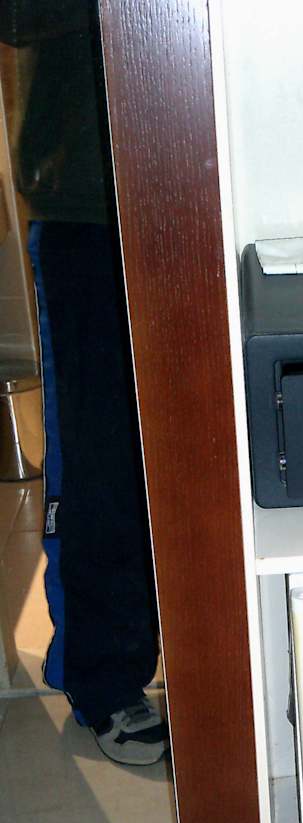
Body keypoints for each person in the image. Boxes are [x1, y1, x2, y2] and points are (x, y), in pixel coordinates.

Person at [0, 1, 169, 765]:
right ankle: (105, 676)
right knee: (102, 458)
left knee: (213, 449)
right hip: (87, 200)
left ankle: (224, 655)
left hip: (211, 178)